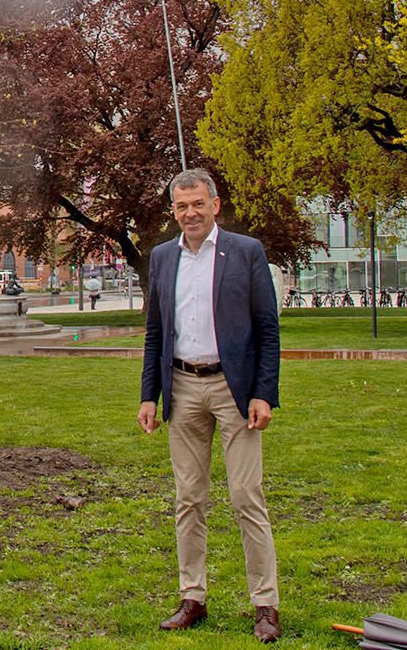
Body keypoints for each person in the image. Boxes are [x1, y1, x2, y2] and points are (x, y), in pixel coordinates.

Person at [137, 169, 281, 643]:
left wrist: (263, 392)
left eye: (198, 204)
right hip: (181, 388)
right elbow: (155, 332)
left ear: (215, 205)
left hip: (234, 390)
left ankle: (265, 605)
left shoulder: (245, 252)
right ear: (173, 211)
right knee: (188, 499)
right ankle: (192, 597)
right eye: (181, 207)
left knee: (246, 498)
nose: (190, 214)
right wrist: (149, 396)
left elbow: (267, 330)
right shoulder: (161, 258)